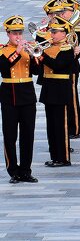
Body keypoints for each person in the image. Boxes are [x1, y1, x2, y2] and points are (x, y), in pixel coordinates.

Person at [2, 15, 41, 183]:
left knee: (27, 135)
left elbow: (37, 71)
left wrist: (35, 56)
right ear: (8, 33)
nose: (18, 36)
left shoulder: (29, 48)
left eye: (20, 33)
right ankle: (13, 171)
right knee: (10, 135)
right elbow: (3, 67)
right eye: (14, 33)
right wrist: (17, 52)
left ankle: (26, 170)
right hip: (9, 94)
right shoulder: (2, 50)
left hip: (27, 93)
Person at [35, 16, 77, 169]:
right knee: (51, 126)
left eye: (55, 31)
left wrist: (42, 56)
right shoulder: (48, 47)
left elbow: (58, 65)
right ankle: (54, 156)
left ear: (64, 33)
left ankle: (64, 157)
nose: (52, 34)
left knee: (61, 126)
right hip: (49, 89)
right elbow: (40, 69)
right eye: (52, 31)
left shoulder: (67, 49)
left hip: (60, 89)